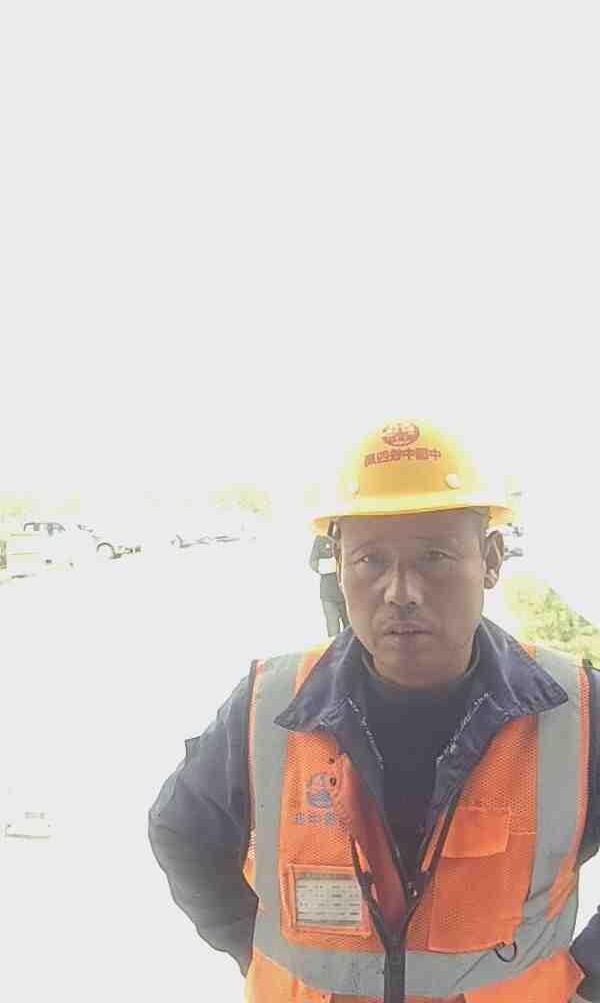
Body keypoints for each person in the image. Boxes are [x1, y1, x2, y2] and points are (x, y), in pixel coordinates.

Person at [148, 419, 600, 1003]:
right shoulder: (268, 706)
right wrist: (255, 948)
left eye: (434, 556)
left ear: (490, 559)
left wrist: (590, 978)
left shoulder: (573, 711)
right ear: (337, 564)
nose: (401, 591)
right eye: (369, 561)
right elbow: (181, 830)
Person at [309, 533, 349, 635]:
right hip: (328, 595)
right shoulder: (320, 538)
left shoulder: (346, 534)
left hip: (347, 593)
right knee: (333, 630)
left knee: (350, 630)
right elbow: (313, 562)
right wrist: (332, 565)